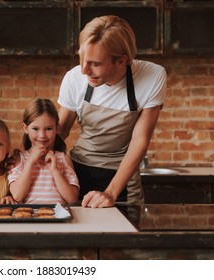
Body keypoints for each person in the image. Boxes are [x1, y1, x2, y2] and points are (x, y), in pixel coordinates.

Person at [57, 15, 167, 208]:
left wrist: (111, 192)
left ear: (121, 61)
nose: (84, 70)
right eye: (82, 59)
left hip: (122, 179)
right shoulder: (74, 78)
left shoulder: (152, 76)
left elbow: (140, 141)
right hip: (77, 172)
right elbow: (58, 134)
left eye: (95, 64)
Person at [8, 98, 79, 204]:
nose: (42, 135)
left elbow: (72, 199)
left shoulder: (63, 159)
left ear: (57, 128)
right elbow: (17, 195)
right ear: (25, 128)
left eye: (48, 129)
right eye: (35, 129)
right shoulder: (20, 159)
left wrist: (55, 171)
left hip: (57, 218)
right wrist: (30, 162)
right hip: (30, 218)